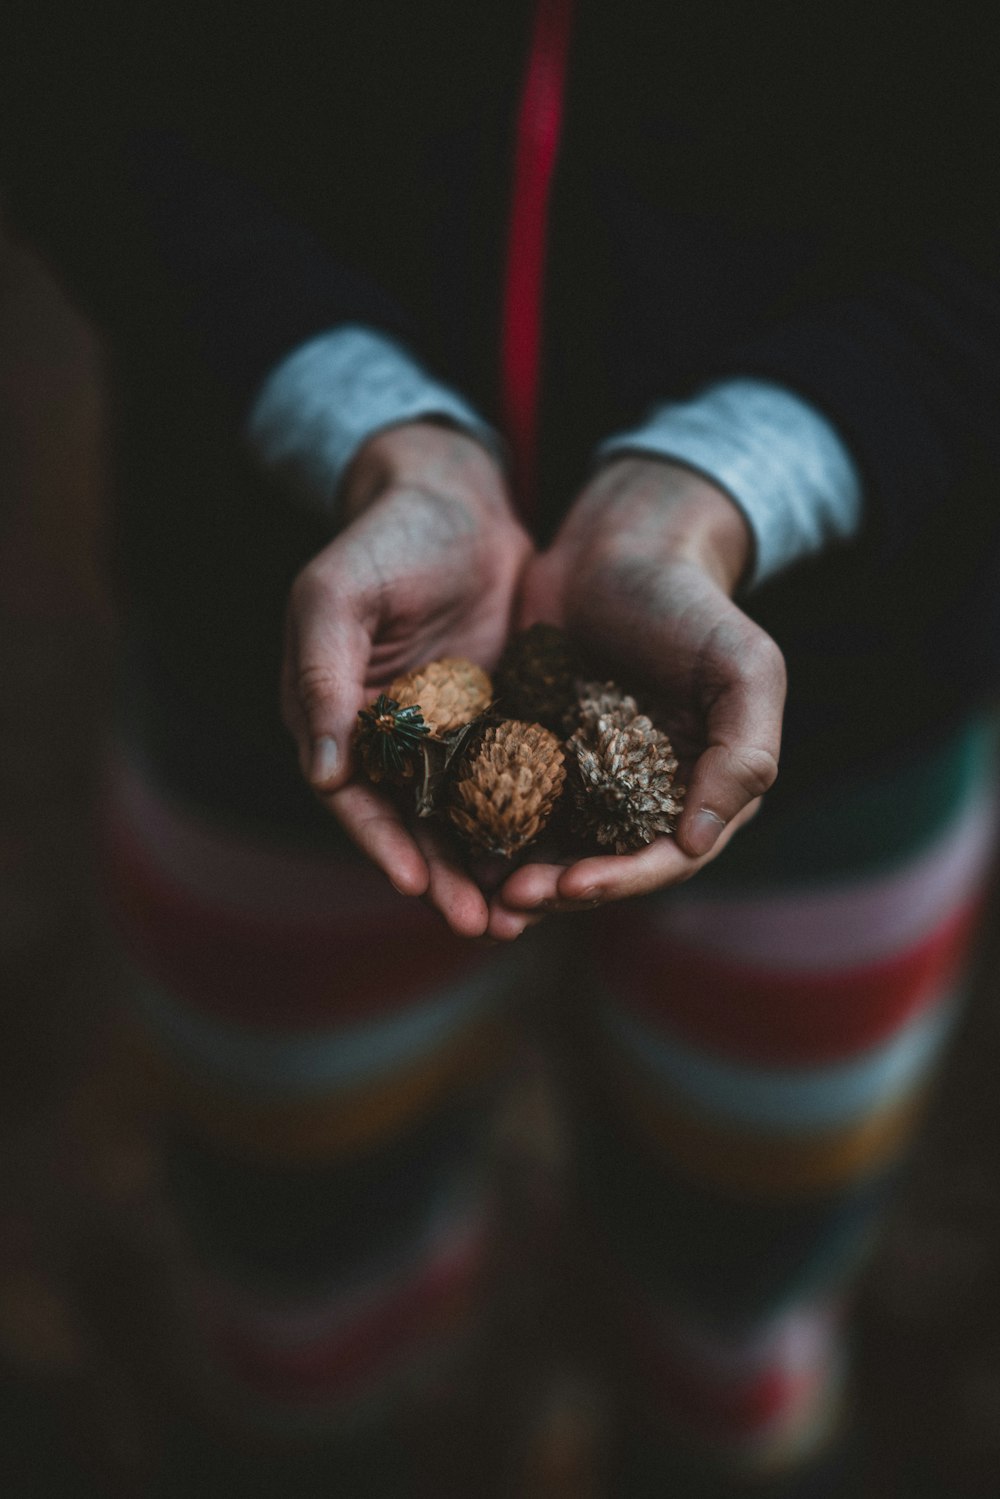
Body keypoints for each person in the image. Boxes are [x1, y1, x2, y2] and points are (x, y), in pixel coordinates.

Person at [5, 2, 1000, 1494]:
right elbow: (71, 88)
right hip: (295, 674)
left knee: (741, 1315)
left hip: (843, 698)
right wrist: (371, 426)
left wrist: (736, 476)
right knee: (297, 1286)